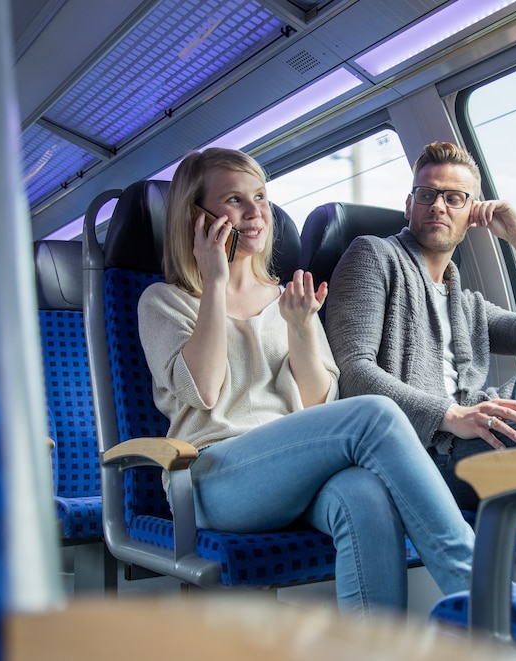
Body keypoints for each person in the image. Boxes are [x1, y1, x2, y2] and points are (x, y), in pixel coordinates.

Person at [137, 147, 473, 618]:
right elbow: (204, 390)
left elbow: (319, 403)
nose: (257, 213)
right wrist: (214, 282)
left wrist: (298, 328)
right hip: (212, 480)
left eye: (260, 196)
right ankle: (486, 599)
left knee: (364, 493)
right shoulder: (165, 302)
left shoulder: (288, 297)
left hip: (292, 472)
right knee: (374, 413)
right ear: (197, 217)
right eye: (235, 200)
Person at [325, 142, 516, 574]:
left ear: (471, 214)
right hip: (426, 450)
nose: (439, 206)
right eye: (427, 194)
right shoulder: (372, 255)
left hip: (476, 429)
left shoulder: (465, 301)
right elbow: (353, 373)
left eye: (454, 198)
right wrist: (450, 415)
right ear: (409, 203)